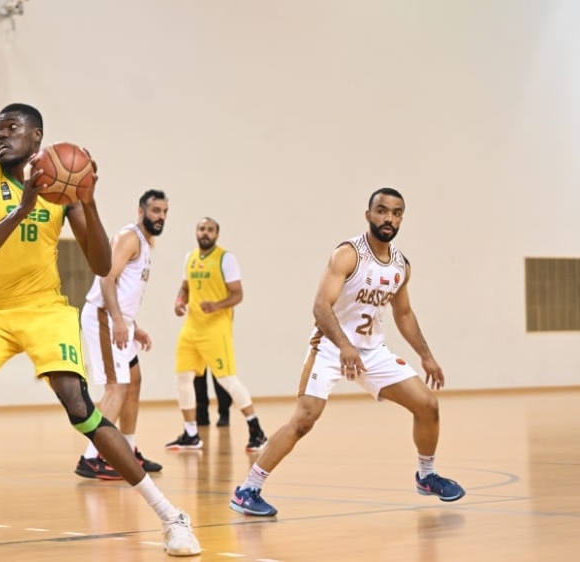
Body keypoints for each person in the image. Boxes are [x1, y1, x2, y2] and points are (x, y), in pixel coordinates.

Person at [0, 103, 200, 557]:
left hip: (43, 308)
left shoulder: (61, 189)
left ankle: (172, 516)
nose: (2, 134)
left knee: (79, 407)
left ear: (37, 137)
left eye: (12, 128)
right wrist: (22, 208)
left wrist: (87, 201)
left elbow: (101, 264)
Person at [229, 188, 466, 517]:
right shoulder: (348, 254)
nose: (388, 218)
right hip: (330, 346)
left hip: (371, 351)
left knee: (427, 405)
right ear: (368, 214)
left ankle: (426, 477)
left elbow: (404, 314)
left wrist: (426, 355)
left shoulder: (400, 265)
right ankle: (248, 489)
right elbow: (320, 307)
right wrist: (344, 346)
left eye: (396, 213)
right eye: (382, 211)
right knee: (304, 419)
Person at [74, 189, 167, 480]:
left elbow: (126, 290)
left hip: (119, 320)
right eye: (155, 211)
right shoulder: (129, 237)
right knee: (116, 387)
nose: (160, 217)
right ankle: (91, 458)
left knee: (134, 380)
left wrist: (132, 325)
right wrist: (117, 319)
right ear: (141, 212)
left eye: (164, 211)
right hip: (103, 316)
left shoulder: (147, 244)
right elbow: (106, 278)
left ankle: (126, 449)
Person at [168, 218, 267, 452]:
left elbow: (237, 295)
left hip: (216, 328)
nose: (205, 233)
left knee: (226, 380)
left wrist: (217, 305)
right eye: (202, 228)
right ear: (196, 232)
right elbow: (185, 287)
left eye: (210, 230)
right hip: (191, 326)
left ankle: (257, 430)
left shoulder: (226, 259)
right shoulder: (189, 258)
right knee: (182, 378)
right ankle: (191, 434)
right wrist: (179, 300)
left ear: (216, 235)